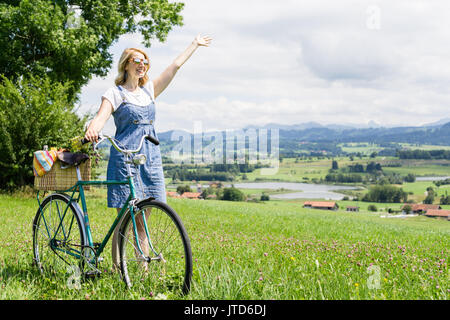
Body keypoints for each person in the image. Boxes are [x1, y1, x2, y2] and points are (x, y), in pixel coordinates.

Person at [84, 34, 212, 269]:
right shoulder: (115, 93)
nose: (142, 64)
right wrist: (93, 128)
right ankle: (117, 269)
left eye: (145, 61)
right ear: (126, 64)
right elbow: (101, 117)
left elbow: (174, 66)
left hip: (150, 159)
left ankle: (142, 271)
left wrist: (193, 44)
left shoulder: (148, 91)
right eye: (137, 60)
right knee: (125, 221)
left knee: (144, 218)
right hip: (125, 159)